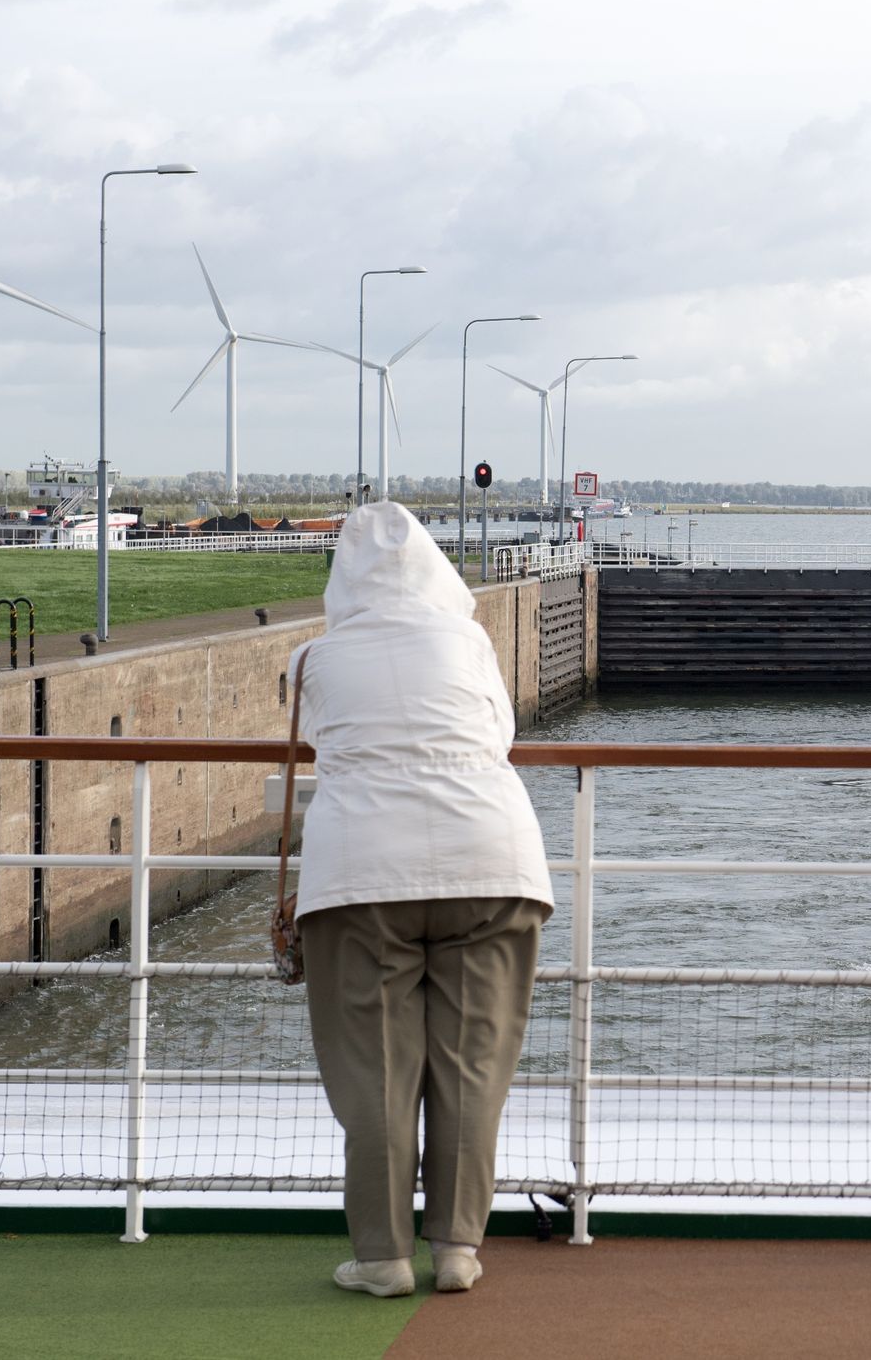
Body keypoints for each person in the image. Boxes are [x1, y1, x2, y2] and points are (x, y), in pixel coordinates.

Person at [289, 501, 554, 1297]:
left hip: (360, 875)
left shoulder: (315, 659)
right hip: (491, 862)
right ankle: (460, 1248)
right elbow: (499, 733)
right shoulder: (470, 641)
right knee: (474, 1066)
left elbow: (316, 738)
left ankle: (382, 1257)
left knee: (373, 1070)